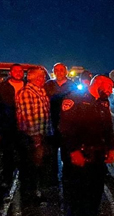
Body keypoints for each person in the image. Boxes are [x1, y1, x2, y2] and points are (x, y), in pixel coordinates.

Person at [58, 75, 114, 216]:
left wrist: (111, 148)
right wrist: (74, 151)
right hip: (80, 156)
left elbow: (108, 127)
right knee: (77, 195)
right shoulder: (73, 99)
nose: (111, 91)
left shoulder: (103, 102)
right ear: (97, 83)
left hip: (97, 156)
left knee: (94, 195)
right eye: (108, 87)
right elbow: (66, 128)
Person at [15, 67, 53, 204]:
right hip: (32, 137)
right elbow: (27, 117)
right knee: (31, 167)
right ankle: (29, 196)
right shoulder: (26, 93)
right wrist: (36, 139)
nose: (43, 79)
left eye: (43, 76)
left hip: (42, 134)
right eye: (40, 77)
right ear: (33, 78)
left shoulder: (40, 91)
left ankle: (37, 192)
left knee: (40, 166)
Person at [44, 63, 74, 185]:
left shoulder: (73, 85)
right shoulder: (48, 85)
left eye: (62, 70)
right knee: (52, 153)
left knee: (67, 152)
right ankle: (53, 177)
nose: (59, 72)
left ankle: (67, 176)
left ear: (66, 71)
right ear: (53, 72)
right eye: (56, 70)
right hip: (51, 122)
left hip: (68, 124)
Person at [0, 64, 25, 191]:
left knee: (24, 152)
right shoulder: (3, 86)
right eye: (15, 70)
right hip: (7, 124)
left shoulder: (28, 86)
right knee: (7, 153)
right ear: (10, 72)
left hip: (26, 125)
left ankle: (24, 178)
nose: (18, 73)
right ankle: (7, 178)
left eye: (21, 71)